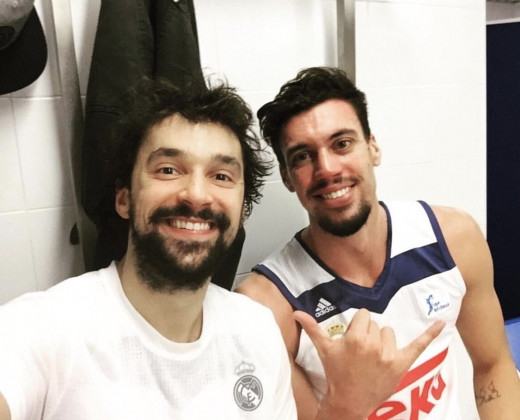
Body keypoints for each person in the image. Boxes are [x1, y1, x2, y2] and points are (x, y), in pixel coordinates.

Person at [0, 79, 297, 419]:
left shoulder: (257, 329)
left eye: (221, 176)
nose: (197, 194)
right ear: (124, 198)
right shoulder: (43, 329)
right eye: (168, 170)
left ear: (242, 211)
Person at [236, 67, 520, 419]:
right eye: (303, 156)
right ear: (288, 178)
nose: (327, 169)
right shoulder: (267, 307)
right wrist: (349, 399)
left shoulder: (454, 238)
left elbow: (493, 366)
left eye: (342, 143)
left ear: (373, 147)